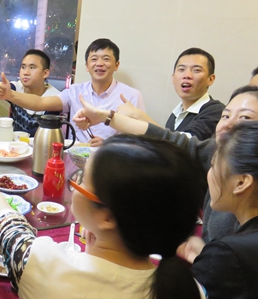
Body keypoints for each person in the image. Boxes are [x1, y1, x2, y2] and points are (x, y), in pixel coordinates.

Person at [0, 134, 205, 299]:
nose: (75, 184)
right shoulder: (188, 292)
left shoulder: (48, 268)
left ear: (108, 217)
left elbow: (12, 233)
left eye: (82, 180)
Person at [72, 84, 258, 242]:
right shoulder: (213, 150)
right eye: (226, 116)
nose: (228, 124)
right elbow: (169, 140)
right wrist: (104, 116)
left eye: (245, 118)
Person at [176, 121, 258, 299]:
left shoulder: (229, 256)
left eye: (213, 166)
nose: (209, 174)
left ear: (241, 182)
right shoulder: (229, 254)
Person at [0, 38, 145, 145]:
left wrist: (109, 145)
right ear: (86, 66)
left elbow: (141, 140)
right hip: (74, 158)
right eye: (94, 59)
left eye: (106, 59)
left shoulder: (131, 96)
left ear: (116, 65)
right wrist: (10, 95)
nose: (99, 63)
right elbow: (40, 102)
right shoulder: (74, 91)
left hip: (111, 160)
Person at [0, 49, 61, 135]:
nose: (26, 72)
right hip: (13, 143)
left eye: (32, 67)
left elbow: (46, 130)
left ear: (45, 73)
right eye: (23, 67)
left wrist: (11, 134)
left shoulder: (55, 97)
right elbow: (0, 86)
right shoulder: (17, 87)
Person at [163, 48, 224, 140]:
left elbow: (185, 142)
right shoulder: (176, 114)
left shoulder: (216, 111)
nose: (187, 75)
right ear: (173, 78)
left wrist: (144, 122)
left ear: (210, 79)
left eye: (196, 70)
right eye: (181, 69)